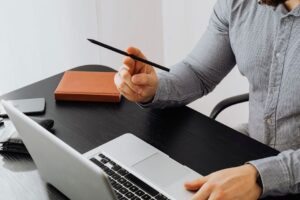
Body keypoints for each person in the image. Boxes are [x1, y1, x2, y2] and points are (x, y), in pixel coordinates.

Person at [114, 0, 300, 199]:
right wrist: (153, 87)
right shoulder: (238, 4)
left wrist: (259, 176)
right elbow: (198, 73)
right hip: (249, 154)